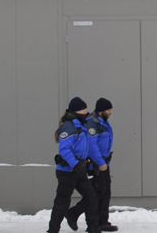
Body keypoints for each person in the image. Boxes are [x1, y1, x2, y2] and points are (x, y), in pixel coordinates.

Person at [47, 97, 97, 233]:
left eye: (86, 109)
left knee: (91, 197)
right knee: (62, 202)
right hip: (67, 171)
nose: (85, 112)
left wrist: (88, 163)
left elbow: (83, 148)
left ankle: (93, 227)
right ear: (75, 111)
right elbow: (64, 149)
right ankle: (53, 229)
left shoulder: (82, 126)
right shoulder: (69, 126)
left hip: (79, 170)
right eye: (82, 109)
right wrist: (75, 165)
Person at [88, 99, 116, 233]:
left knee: (105, 193)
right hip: (97, 164)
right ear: (101, 110)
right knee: (97, 193)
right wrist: (100, 163)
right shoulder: (93, 124)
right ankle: (91, 221)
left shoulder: (104, 123)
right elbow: (92, 146)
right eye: (108, 110)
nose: (110, 112)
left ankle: (103, 221)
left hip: (104, 163)